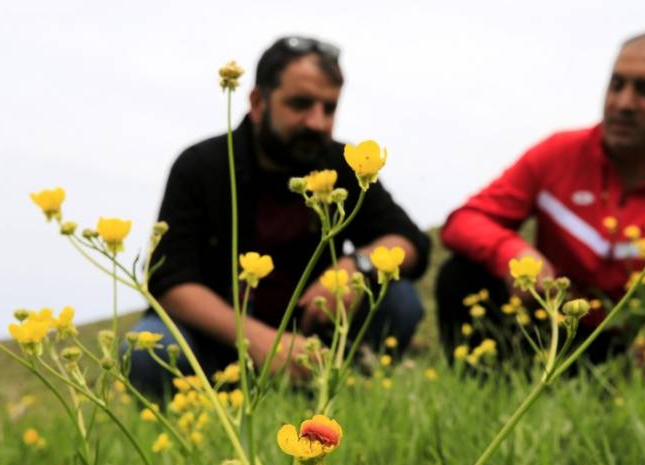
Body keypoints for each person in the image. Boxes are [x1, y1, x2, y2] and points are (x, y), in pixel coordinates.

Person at [437, 31, 645, 392]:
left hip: (640, 349)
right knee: (461, 274)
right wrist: (515, 255)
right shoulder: (557, 154)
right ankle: (487, 403)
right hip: (556, 331)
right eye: (617, 85)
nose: (624, 102)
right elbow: (465, 221)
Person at [129, 36, 430, 393]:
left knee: (401, 299)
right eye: (301, 104)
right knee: (151, 348)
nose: (317, 122)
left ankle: (353, 397)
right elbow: (169, 281)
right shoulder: (202, 165)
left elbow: (410, 242)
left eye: (329, 108)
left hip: (314, 343)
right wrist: (256, 341)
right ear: (257, 102)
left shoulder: (346, 166)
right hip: (221, 345)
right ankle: (190, 424)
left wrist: (356, 266)